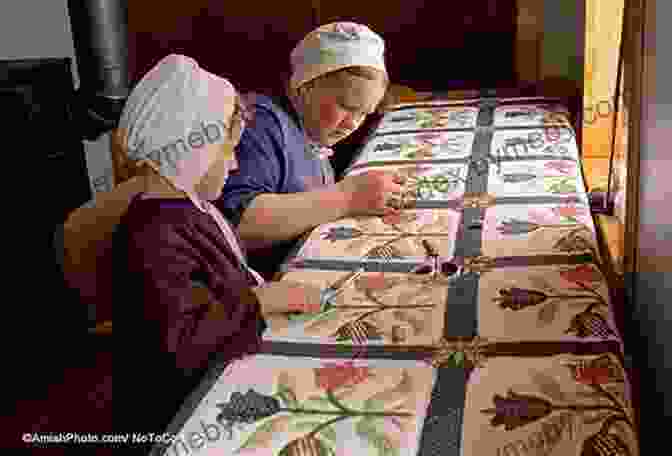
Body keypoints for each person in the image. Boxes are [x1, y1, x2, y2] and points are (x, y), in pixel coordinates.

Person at [103, 54, 323, 442]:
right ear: (190, 150)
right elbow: (182, 340)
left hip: (215, 372)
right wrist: (261, 301)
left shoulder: (189, 209)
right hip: (179, 413)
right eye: (228, 150)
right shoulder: (153, 235)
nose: (236, 165)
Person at [215, 22, 406, 279]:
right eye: (346, 106)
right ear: (304, 86)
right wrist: (348, 197)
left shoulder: (310, 130)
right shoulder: (259, 124)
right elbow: (239, 225)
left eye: (363, 113)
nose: (352, 124)